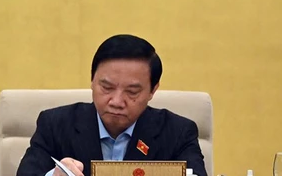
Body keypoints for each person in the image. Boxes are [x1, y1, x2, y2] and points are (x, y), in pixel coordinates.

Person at [16, 34, 207, 176]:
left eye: (132, 92)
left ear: (153, 90)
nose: (116, 102)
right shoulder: (55, 125)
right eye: (106, 87)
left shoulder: (178, 132)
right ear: (92, 81)